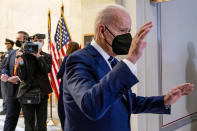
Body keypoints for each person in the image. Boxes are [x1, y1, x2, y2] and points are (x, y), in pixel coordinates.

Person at [62, 5, 194, 131]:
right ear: (102, 31)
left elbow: (128, 101)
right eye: (122, 31)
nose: (127, 37)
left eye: (128, 31)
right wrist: (131, 60)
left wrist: (164, 100)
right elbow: (91, 106)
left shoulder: (113, 61)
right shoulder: (78, 60)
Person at [17, 33, 52, 131]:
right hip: (26, 92)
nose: (38, 43)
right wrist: (20, 60)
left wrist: (38, 56)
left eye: (40, 41)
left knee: (41, 125)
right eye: (36, 41)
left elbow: (47, 70)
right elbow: (22, 76)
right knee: (29, 125)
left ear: (43, 43)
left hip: (42, 93)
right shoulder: (25, 55)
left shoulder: (47, 56)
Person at [1, 31, 29, 131]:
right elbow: (5, 67)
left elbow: (32, 71)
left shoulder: (30, 53)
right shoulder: (12, 53)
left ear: (25, 39)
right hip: (12, 91)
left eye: (18, 39)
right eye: (16, 38)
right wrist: (4, 74)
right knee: (10, 118)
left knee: (29, 121)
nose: (16, 40)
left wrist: (19, 78)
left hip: (27, 91)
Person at [57, 41, 80, 130]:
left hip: (66, 89)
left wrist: (60, 68)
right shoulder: (81, 57)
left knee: (62, 113)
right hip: (77, 89)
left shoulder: (67, 58)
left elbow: (59, 75)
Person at [0, 38, 14, 115]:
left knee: (6, 94)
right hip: (3, 76)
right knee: (4, 93)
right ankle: (6, 109)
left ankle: (6, 109)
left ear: (11, 44)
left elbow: (6, 65)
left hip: (8, 76)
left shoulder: (12, 52)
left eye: (8, 44)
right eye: (6, 44)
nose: (6, 45)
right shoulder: (6, 53)